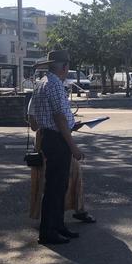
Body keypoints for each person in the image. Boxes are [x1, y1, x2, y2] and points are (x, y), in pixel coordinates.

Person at [28, 50, 84, 245]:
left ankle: (57, 226)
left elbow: (33, 119)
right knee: (55, 187)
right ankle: (49, 231)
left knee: (57, 186)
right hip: (58, 139)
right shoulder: (55, 85)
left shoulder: (41, 84)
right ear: (64, 67)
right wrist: (74, 147)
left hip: (48, 137)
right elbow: (60, 118)